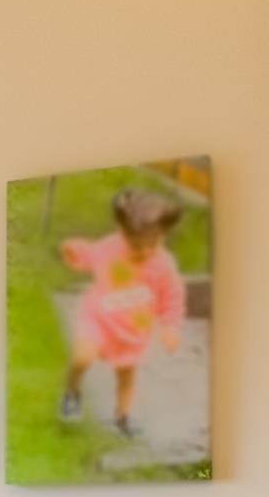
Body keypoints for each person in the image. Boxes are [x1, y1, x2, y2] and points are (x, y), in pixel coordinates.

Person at [58, 187, 187, 438]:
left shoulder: (163, 265)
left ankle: (123, 417)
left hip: (132, 329)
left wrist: (171, 326)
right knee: (82, 356)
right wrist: (72, 250)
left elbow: (173, 297)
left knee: (127, 375)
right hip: (98, 319)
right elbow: (88, 255)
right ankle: (72, 393)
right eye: (138, 246)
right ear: (122, 234)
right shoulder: (109, 248)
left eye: (155, 243)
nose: (147, 251)